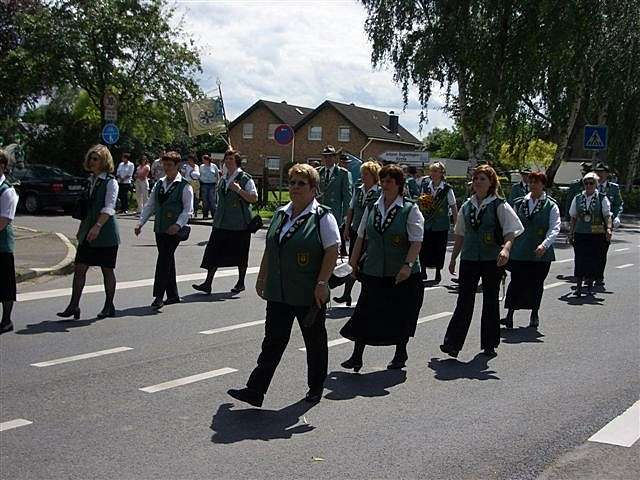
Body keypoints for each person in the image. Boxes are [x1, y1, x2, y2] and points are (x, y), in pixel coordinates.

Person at [227, 164, 340, 406]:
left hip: (308, 292)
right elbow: (271, 248)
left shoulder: (322, 217)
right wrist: (261, 277)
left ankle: (316, 386)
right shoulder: (280, 214)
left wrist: (322, 283)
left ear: (313, 189)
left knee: (315, 342)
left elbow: (332, 250)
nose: (295, 188)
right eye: (292, 183)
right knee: (272, 341)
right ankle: (255, 390)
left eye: (301, 184)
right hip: (278, 291)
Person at [340, 164, 424, 370]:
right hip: (374, 269)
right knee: (364, 312)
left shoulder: (409, 208)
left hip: (402, 273)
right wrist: (353, 263)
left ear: (398, 185)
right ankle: (357, 356)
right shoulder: (372, 207)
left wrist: (407, 265)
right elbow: (361, 236)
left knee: (400, 313)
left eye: (389, 181)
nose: (384, 185)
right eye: (383, 180)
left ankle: (400, 353)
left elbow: (416, 241)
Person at [440, 165, 523, 358]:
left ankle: (489, 343)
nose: (478, 182)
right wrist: (453, 258)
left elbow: (511, 232)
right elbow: (460, 234)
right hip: (469, 258)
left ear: (491, 183)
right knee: (464, 300)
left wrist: (505, 249)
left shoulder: (499, 205)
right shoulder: (467, 206)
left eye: (483, 179)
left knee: (490, 300)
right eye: (476, 178)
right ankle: (452, 343)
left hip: (491, 259)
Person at [57, 145, 120, 320]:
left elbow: (109, 207)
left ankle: (109, 305)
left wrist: (97, 226)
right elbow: (87, 208)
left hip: (105, 232)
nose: (92, 162)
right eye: (90, 158)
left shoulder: (110, 182)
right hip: (88, 230)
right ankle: (74, 305)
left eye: (95, 159)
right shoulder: (90, 180)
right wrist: (82, 229)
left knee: (107, 269)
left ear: (104, 161)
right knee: (80, 268)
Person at [192, 149, 258, 294]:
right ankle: (207, 283)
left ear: (237, 161)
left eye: (231, 159)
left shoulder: (245, 178)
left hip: (239, 223)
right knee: (213, 252)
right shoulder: (224, 177)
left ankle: (241, 282)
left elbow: (253, 198)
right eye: (226, 159)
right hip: (221, 221)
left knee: (241, 253)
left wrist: (239, 190)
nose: (228, 161)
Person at [135, 151, 194, 309]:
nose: (166, 168)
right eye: (164, 165)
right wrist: (141, 223)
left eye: (169, 165)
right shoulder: (159, 184)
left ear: (177, 166)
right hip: (160, 228)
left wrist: (178, 224)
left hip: (173, 230)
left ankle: (159, 295)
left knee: (164, 259)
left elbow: (188, 210)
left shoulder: (184, 186)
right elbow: (151, 205)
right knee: (167, 259)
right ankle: (173, 295)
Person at [503, 171, 560, 329]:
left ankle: (534, 313)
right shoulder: (520, 202)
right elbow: (510, 224)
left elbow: (555, 228)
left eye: (537, 182)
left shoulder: (551, 205)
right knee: (516, 282)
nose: (533, 185)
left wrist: (545, 244)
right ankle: (510, 315)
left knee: (536, 284)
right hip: (520, 250)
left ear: (543, 185)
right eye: (531, 182)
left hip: (540, 252)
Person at [333, 160, 382, 306]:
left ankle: (365, 297)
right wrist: (347, 228)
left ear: (374, 176)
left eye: (366, 174)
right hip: (356, 231)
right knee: (352, 263)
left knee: (366, 265)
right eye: (362, 174)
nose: (363, 177)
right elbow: (351, 208)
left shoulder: (379, 191)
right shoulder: (358, 188)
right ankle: (346, 294)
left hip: (370, 235)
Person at [568, 172, 612, 296]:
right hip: (581, 232)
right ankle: (578, 286)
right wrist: (571, 233)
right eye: (586, 183)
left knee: (593, 258)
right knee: (580, 258)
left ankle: (590, 284)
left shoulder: (602, 198)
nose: (588, 185)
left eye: (591, 183)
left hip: (596, 233)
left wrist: (608, 229)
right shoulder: (577, 198)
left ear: (596, 184)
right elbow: (573, 217)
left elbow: (607, 215)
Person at [418, 162, 458, 284]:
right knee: (424, 247)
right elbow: (420, 204)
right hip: (427, 223)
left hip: (441, 224)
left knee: (439, 249)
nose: (433, 174)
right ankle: (423, 270)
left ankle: (438, 272)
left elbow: (453, 206)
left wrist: (456, 224)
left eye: (436, 171)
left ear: (442, 173)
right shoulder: (425, 187)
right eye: (432, 171)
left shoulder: (447, 189)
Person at [317, 145, 352, 256]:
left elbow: (347, 196)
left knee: (332, 240)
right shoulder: (318, 172)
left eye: (330, 156)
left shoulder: (342, 173)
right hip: (319, 210)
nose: (327, 159)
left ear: (334, 158)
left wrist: (346, 215)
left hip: (335, 212)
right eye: (325, 157)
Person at [594, 162, 623, 286]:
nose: (599, 175)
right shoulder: (589, 185)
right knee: (589, 249)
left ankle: (599, 276)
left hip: (606, 224)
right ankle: (588, 274)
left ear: (607, 174)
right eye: (597, 172)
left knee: (601, 250)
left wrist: (616, 217)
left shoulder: (613, 188)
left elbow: (618, 204)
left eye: (602, 172)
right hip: (591, 223)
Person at [0, 149, 19, 334]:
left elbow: (4, 220)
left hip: (2, 245)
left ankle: (6, 320)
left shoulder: (7, 190)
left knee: (5, 284)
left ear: (2, 166)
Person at [199, 154, 220, 219]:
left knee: (212, 200)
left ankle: (214, 215)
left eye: (204, 159)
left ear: (207, 160)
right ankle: (205, 215)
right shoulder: (201, 166)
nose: (203, 161)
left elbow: (217, 175)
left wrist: (217, 183)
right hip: (204, 184)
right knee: (205, 200)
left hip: (212, 185)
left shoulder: (214, 166)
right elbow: (199, 175)